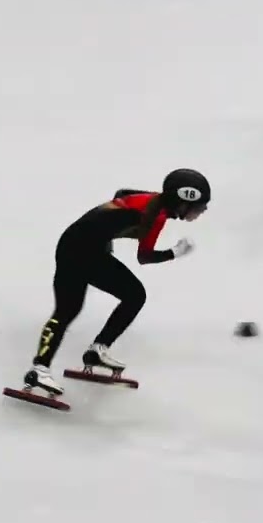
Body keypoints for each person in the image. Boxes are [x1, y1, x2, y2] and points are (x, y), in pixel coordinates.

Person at [22, 169, 210, 396]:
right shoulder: (155, 215)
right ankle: (94, 350)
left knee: (67, 311)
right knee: (134, 295)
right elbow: (145, 257)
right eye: (200, 206)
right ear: (182, 201)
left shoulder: (152, 200)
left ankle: (42, 367)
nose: (202, 211)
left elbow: (122, 194)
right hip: (85, 250)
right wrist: (175, 252)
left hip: (73, 243)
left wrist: (106, 236)